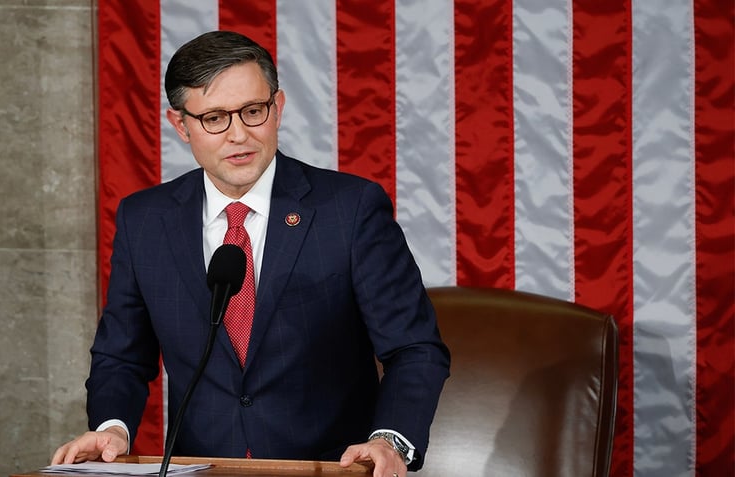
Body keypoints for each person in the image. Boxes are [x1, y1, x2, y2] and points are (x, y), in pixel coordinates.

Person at [51, 30, 450, 477]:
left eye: (253, 111)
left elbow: (415, 348)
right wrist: (112, 427)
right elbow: (121, 356)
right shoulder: (144, 220)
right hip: (201, 469)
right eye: (214, 118)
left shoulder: (349, 210)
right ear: (180, 125)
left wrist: (389, 440)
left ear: (277, 108)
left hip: (329, 469)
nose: (239, 135)